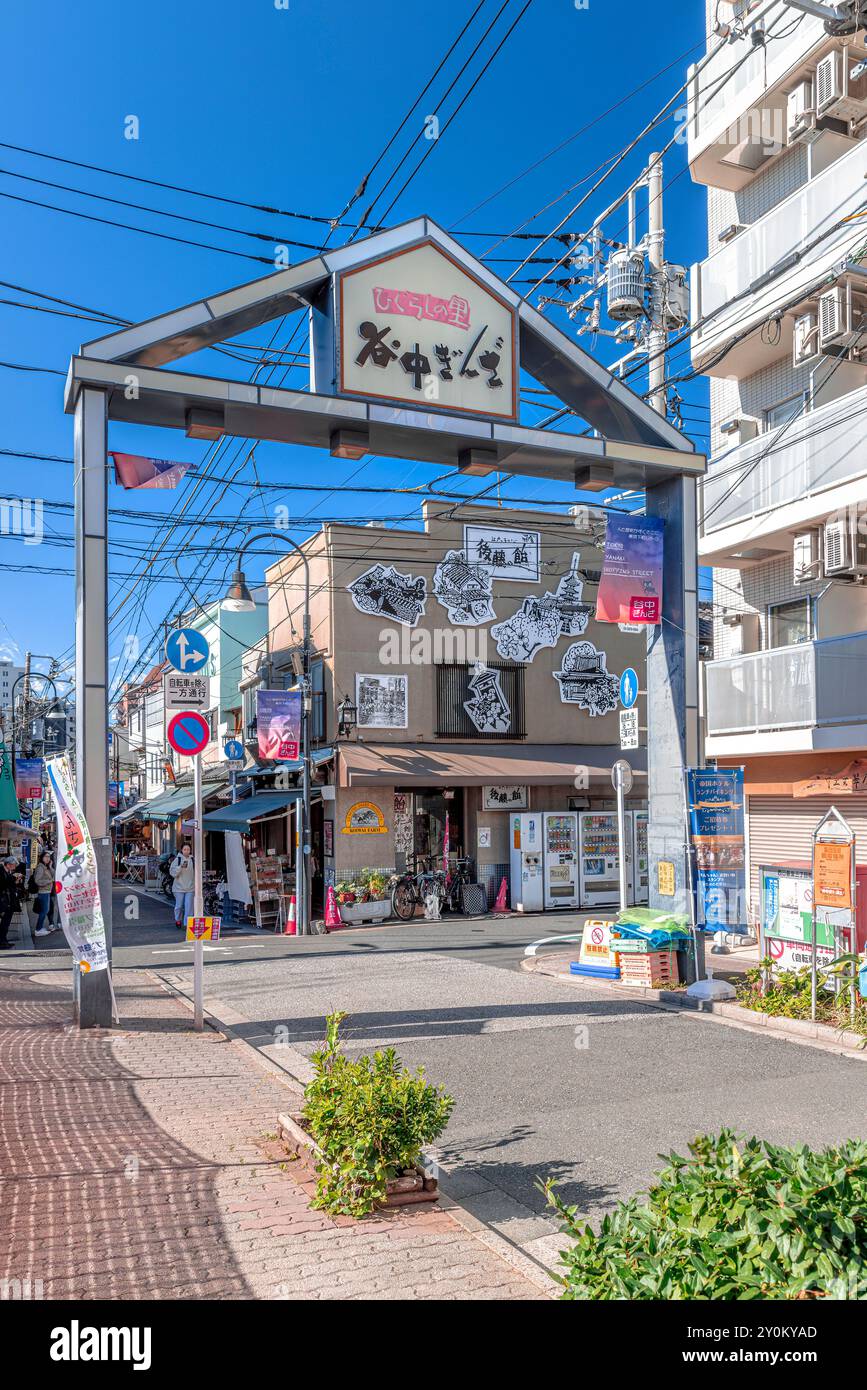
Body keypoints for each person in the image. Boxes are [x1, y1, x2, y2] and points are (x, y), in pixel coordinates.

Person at [32, 851, 59, 938]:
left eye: (49, 857)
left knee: (45, 910)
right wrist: (49, 881)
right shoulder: (40, 867)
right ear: (42, 857)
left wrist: (50, 866)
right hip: (43, 892)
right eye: (46, 857)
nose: (48, 858)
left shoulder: (46, 867)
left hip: (47, 891)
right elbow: (37, 881)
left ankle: (39, 928)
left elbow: (54, 875)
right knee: (44, 911)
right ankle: (38, 929)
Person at [169, 842, 195, 929]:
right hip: (178, 888)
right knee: (179, 906)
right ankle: (178, 919)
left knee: (189, 907)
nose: (186, 851)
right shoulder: (178, 860)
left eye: (188, 849)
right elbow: (172, 873)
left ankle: (188, 924)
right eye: (185, 849)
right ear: (182, 850)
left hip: (190, 887)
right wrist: (180, 867)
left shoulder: (193, 860)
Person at [0, 858, 23, 950]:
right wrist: (14, 879)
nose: (15, 867)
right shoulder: (1, 872)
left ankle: (4, 941)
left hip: (7, 901)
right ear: (8, 864)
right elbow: (3, 884)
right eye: (14, 865)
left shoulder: (7, 871)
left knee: (6, 923)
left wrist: (15, 881)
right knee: (5, 923)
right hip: (3, 902)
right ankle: (2, 942)